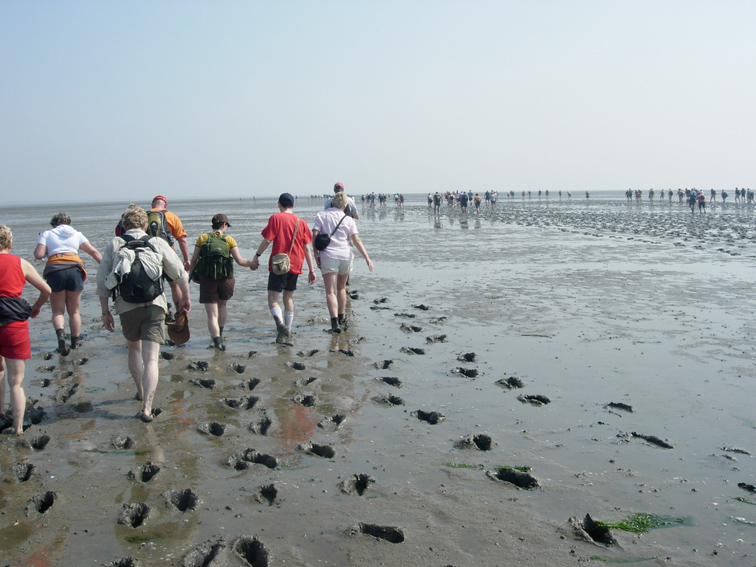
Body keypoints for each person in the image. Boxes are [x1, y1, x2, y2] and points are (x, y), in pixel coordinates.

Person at [96, 206, 191, 422]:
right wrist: (185, 298)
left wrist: (105, 312)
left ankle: (140, 390)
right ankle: (147, 407)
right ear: (145, 225)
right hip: (155, 304)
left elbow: (102, 283)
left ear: (123, 225)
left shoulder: (114, 244)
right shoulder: (157, 242)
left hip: (126, 306)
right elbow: (179, 273)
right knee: (151, 358)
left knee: (134, 351)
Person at [0, 226, 51, 434]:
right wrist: (35, 307)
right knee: (16, 381)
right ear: (9, 244)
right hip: (14, 324)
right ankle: (18, 427)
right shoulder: (20, 262)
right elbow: (47, 289)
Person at [250, 193, 316, 343]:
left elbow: (267, 240)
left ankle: (279, 324)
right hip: (296, 265)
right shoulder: (301, 222)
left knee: (273, 298)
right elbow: (307, 248)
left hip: (279, 265)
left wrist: (257, 255)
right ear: (293, 205)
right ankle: (288, 330)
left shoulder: (276, 218)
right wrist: (311, 270)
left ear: (279, 204)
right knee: (289, 298)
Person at [34, 213, 102, 355]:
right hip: (74, 270)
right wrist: (105, 267)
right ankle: (75, 344)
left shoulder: (47, 234)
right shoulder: (77, 234)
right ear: (68, 223)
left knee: (58, 311)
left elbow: (38, 255)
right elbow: (93, 251)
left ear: (54, 224)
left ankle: (61, 338)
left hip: (55, 271)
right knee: (74, 311)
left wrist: (47, 251)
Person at [188, 214, 252, 350]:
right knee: (222, 306)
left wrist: (188, 276)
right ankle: (220, 335)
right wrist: (252, 264)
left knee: (212, 314)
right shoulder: (229, 240)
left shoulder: (203, 238)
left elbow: (193, 260)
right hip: (225, 280)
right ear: (224, 225)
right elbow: (239, 260)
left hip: (207, 279)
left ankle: (216, 341)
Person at [312, 192, 373, 333]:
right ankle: (341, 317)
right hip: (346, 256)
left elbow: (314, 237)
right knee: (341, 288)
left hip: (328, 256)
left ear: (332, 203)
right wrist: (367, 258)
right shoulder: (348, 219)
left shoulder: (321, 215)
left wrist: (316, 256)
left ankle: (334, 324)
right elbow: (356, 240)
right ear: (345, 206)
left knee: (330, 291)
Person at [148, 195, 191, 316]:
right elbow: (182, 240)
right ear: (165, 205)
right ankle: (179, 311)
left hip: (149, 257)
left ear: (152, 204)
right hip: (168, 255)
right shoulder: (171, 217)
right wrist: (186, 259)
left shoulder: (144, 216)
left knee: (154, 285)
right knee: (174, 285)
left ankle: (158, 313)